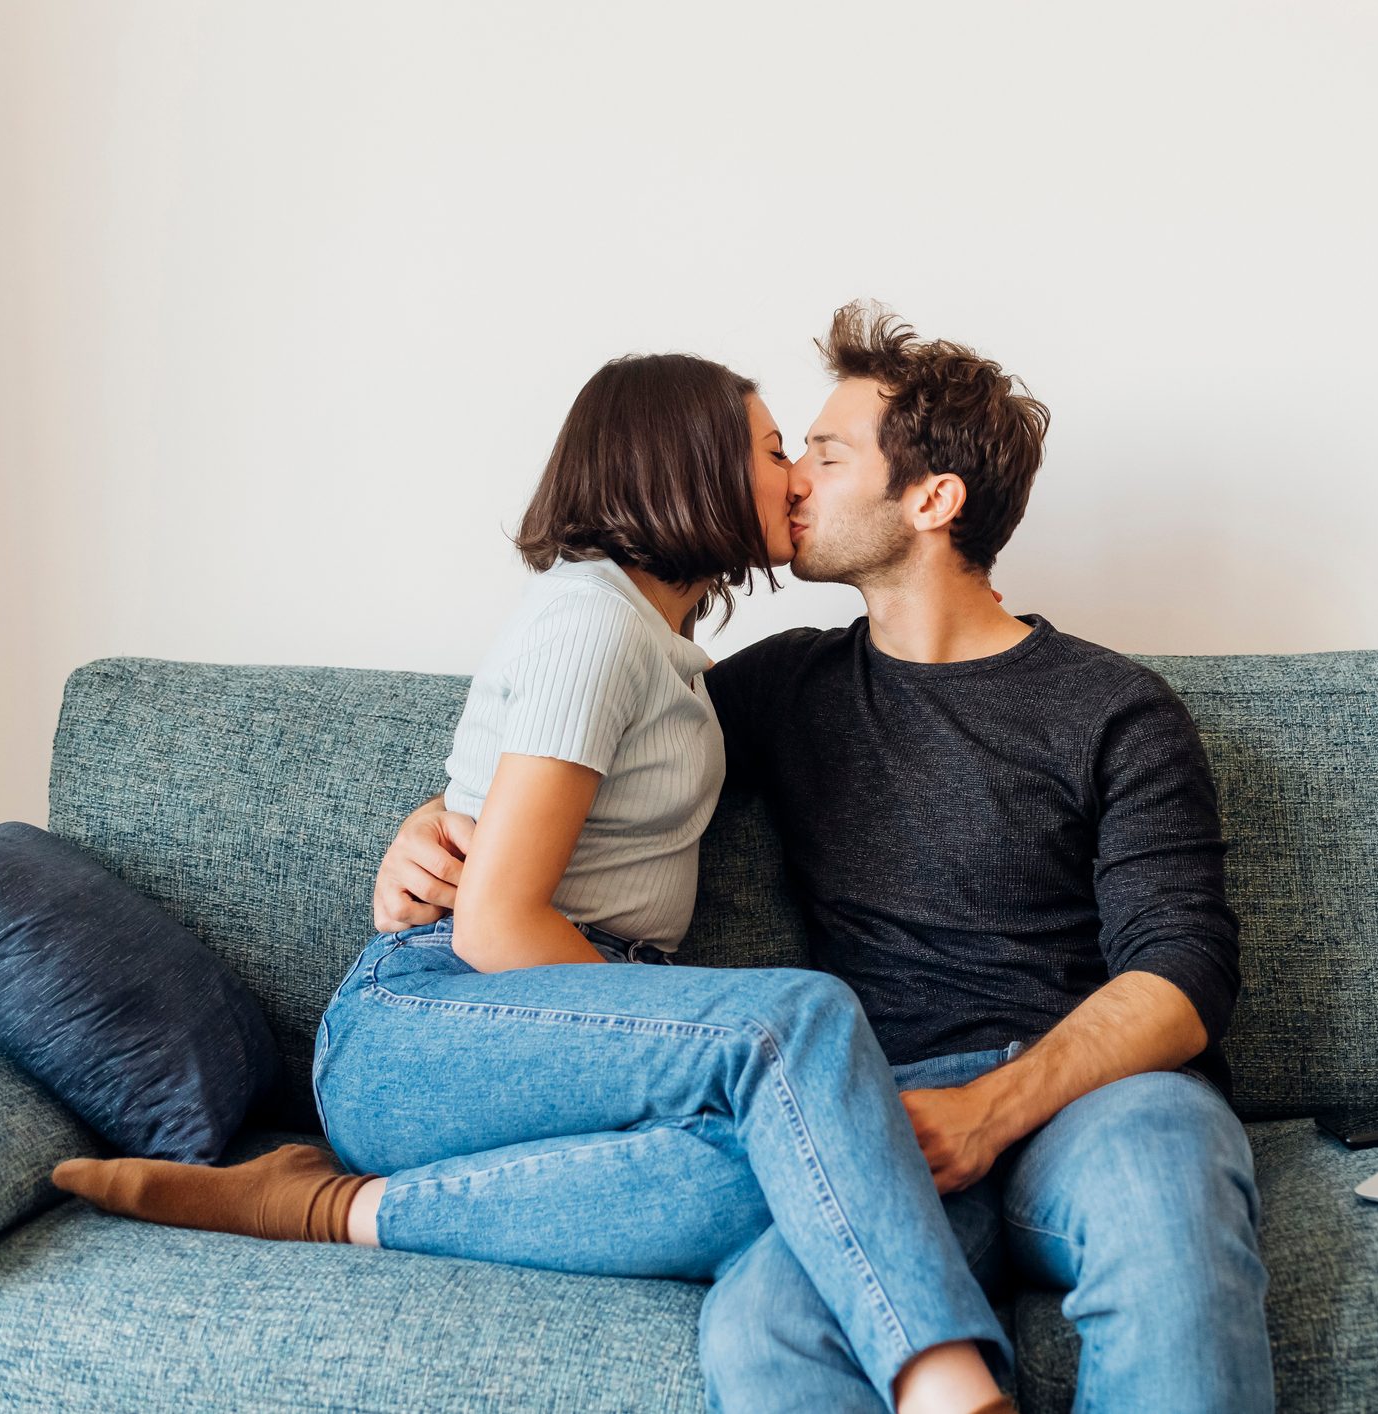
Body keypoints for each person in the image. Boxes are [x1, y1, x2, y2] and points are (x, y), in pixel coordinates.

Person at [50, 352, 1014, 1414]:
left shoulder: (662, 651)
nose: (793, 478)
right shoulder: (591, 621)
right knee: (802, 1021)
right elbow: (496, 922)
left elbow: (518, 795)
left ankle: (329, 1206)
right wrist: (677, 1037)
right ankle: (946, 1383)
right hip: (429, 1024)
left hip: (527, 1039)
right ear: (684, 463)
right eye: (775, 450)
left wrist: (441, 813)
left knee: (811, 1164)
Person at [382, 305, 1277, 1411]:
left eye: (825, 453)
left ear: (932, 500)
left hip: (1098, 1103)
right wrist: (434, 819)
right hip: (876, 1122)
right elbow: (584, 755)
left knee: (1164, 1209)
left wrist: (995, 1107)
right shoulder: (783, 688)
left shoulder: (1114, 708)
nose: (789, 479)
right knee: (763, 1328)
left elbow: (1184, 973)